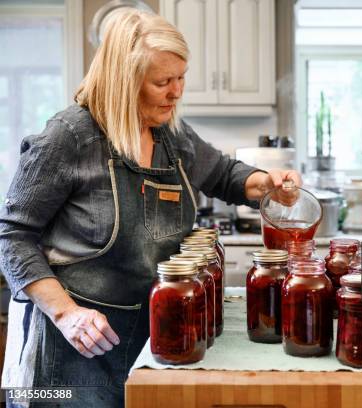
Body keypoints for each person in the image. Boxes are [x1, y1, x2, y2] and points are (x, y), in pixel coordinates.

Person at [0, 9, 300, 407]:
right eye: (163, 82)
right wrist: (66, 315)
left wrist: (266, 182)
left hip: (157, 335)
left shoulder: (171, 134)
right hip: (78, 348)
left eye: (181, 77)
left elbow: (224, 174)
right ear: (124, 82)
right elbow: (13, 238)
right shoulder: (68, 137)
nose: (177, 92)